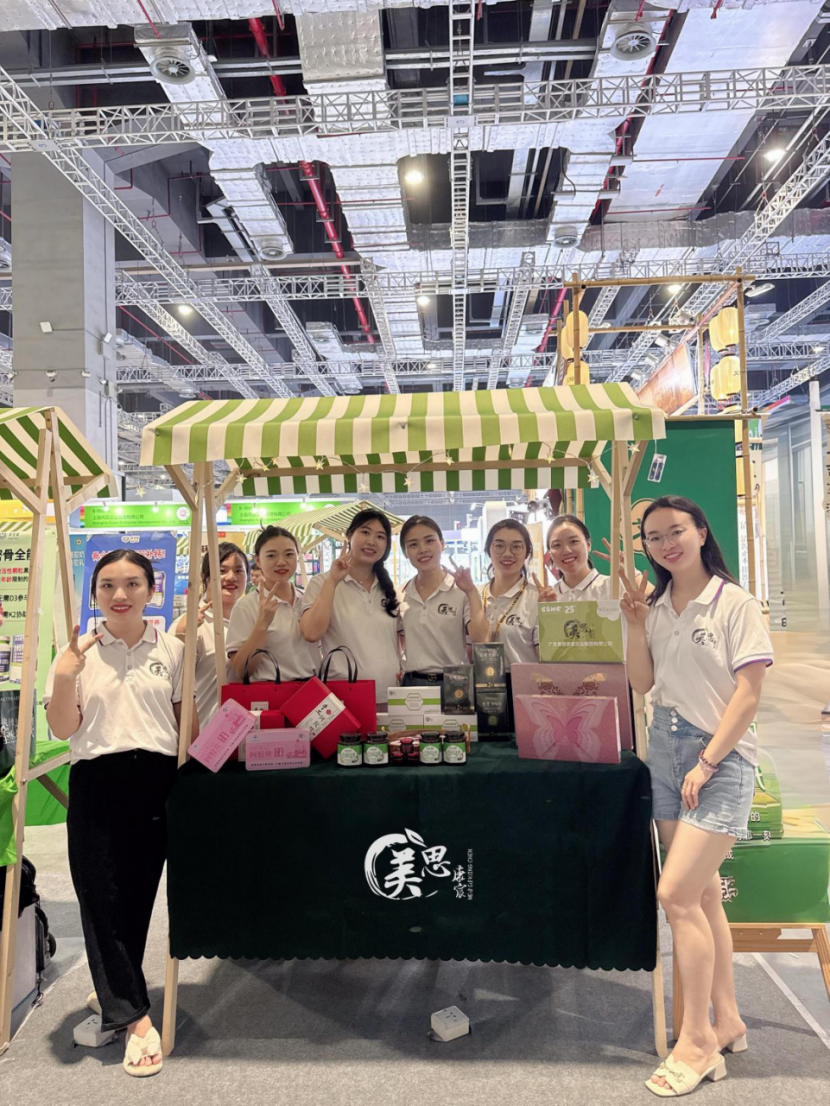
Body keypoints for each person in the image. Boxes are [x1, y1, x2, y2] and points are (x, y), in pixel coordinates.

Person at [620, 495, 773, 1097]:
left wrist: (708, 762)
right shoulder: (657, 607)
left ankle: (697, 1040)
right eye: (653, 537)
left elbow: (749, 694)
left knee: (675, 894)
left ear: (702, 532)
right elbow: (643, 683)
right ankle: (728, 1018)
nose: (666, 544)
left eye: (675, 531)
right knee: (703, 895)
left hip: (720, 759)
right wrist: (635, 624)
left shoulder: (734, 603)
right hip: (666, 752)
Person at [44, 550, 195, 1078]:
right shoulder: (76, 653)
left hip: (156, 779)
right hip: (97, 779)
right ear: (94, 594)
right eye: (107, 585)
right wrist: (66, 675)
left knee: (136, 898)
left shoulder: (173, 649)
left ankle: (116, 994)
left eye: (132, 583)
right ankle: (135, 1019)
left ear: (152, 590)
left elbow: (184, 723)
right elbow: (63, 729)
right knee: (99, 898)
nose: (120, 594)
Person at [300, 508, 401, 706]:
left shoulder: (388, 588)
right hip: (343, 697)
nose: (372, 541)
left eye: (380, 536)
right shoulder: (322, 583)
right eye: (365, 532)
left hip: (390, 695)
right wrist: (333, 581)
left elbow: (395, 639)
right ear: (349, 535)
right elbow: (311, 633)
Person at [398, 515, 490, 685]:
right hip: (413, 684)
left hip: (455, 684)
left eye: (429, 541)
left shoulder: (461, 590)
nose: (423, 549)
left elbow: (481, 640)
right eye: (413, 544)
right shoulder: (401, 593)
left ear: (442, 544)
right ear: (405, 552)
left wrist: (471, 591)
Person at [227, 527, 321, 682]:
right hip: (271, 691)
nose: (281, 562)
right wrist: (262, 624)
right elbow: (241, 670)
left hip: (313, 689)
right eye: (271, 555)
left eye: (289, 554)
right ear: (258, 561)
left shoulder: (308, 600)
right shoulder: (246, 606)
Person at [174, 541, 247, 725]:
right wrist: (181, 637)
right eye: (222, 570)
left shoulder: (251, 621)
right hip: (204, 733)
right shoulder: (190, 624)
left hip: (247, 733)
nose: (231, 577)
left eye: (239, 570)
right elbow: (173, 684)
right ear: (204, 577)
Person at [480, 519, 539, 667]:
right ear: (488, 550)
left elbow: (548, 659)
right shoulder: (475, 594)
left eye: (516, 547)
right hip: (479, 679)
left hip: (524, 680)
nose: (507, 553)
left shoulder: (537, 597)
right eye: (499, 546)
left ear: (527, 552)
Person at [542, 514, 610, 601]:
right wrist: (542, 608)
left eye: (574, 541)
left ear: (588, 545)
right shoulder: (549, 598)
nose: (566, 551)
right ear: (551, 554)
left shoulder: (612, 586)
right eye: (557, 545)